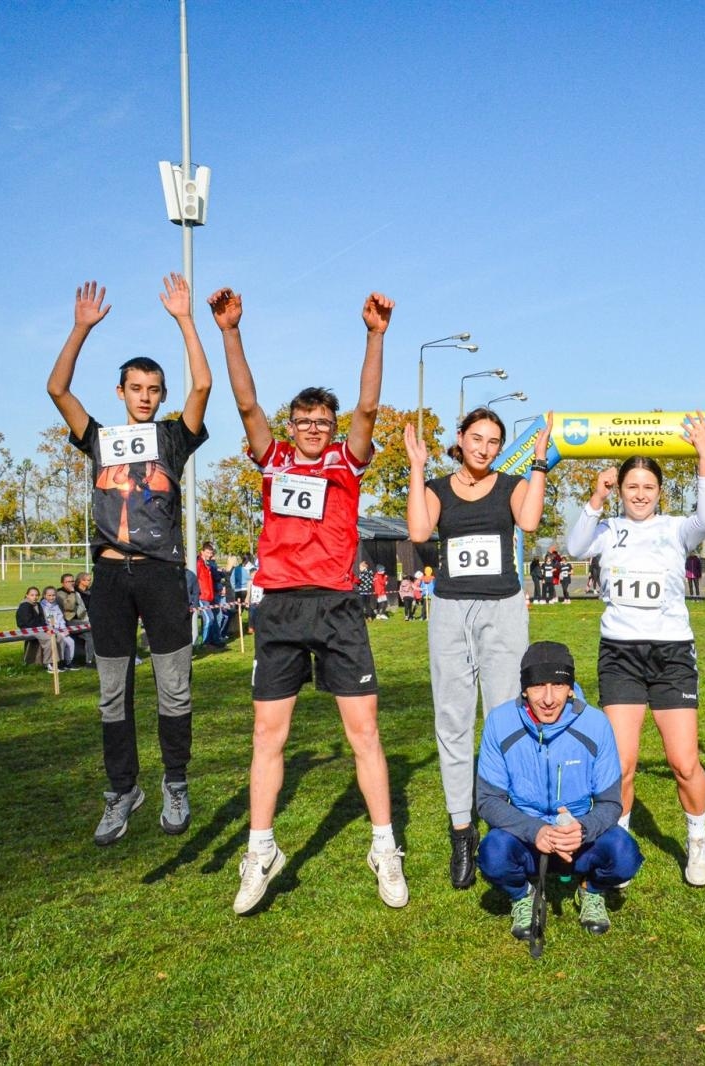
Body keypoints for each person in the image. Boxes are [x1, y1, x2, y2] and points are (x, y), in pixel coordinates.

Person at [211, 285, 408, 915]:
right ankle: (260, 848)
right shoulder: (270, 461)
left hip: (339, 607)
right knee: (268, 735)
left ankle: (384, 846)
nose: (316, 430)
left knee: (364, 733)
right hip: (281, 610)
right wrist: (230, 332)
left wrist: (375, 335)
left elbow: (370, 408)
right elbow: (244, 401)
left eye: (324, 422)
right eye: (306, 422)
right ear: (291, 425)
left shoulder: (347, 466)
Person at [47, 275, 211, 846]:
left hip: (163, 575)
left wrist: (185, 320)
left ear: (161, 395)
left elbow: (204, 387)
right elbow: (57, 390)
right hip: (112, 576)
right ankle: (121, 792)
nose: (145, 394)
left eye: (154, 388)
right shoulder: (99, 437)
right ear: (120, 392)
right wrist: (81, 328)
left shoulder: (172, 438)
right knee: (111, 693)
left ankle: (175, 782)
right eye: (136, 387)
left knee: (175, 690)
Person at [565, 415, 705, 886]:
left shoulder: (677, 529)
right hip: (621, 655)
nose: (639, 493)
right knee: (622, 763)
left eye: (648, 485)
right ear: (621, 488)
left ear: (659, 491)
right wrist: (596, 496)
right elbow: (574, 545)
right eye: (631, 485)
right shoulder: (608, 528)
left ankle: (697, 840)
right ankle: (619, 847)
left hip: (671, 654)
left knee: (683, 762)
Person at [405, 407, 552, 888]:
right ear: (461, 438)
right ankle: (461, 830)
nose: (485, 448)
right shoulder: (439, 489)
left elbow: (529, 522)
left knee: (506, 717)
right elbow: (420, 532)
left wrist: (539, 460)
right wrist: (417, 467)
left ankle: (506, 825)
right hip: (449, 611)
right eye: (477, 438)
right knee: (452, 720)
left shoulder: (512, 486)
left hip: (502, 611)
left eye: (493, 441)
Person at [476, 642, 643, 940]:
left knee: (625, 855)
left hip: (576, 835)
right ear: (525, 688)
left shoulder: (596, 724)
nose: (549, 698)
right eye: (539, 685)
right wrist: (535, 830)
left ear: (571, 688)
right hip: (527, 836)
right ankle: (522, 896)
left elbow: (610, 802)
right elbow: (488, 800)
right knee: (492, 854)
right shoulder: (500, 722)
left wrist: (582, 829)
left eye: (559, 684)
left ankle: (590, 890)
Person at [42, 587, 77, 669]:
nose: (51, 597)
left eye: (53, 595)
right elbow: (46, 621)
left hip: (59, 629)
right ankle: (56, 663)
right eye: (49, 595)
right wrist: (51, 629)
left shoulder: (56, 606)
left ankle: (68, 662)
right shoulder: (42, 607)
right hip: (49, 630)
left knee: (70, 641)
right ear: (44, 596)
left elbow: (60, 619)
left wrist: (64, 629)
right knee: (60, 641)